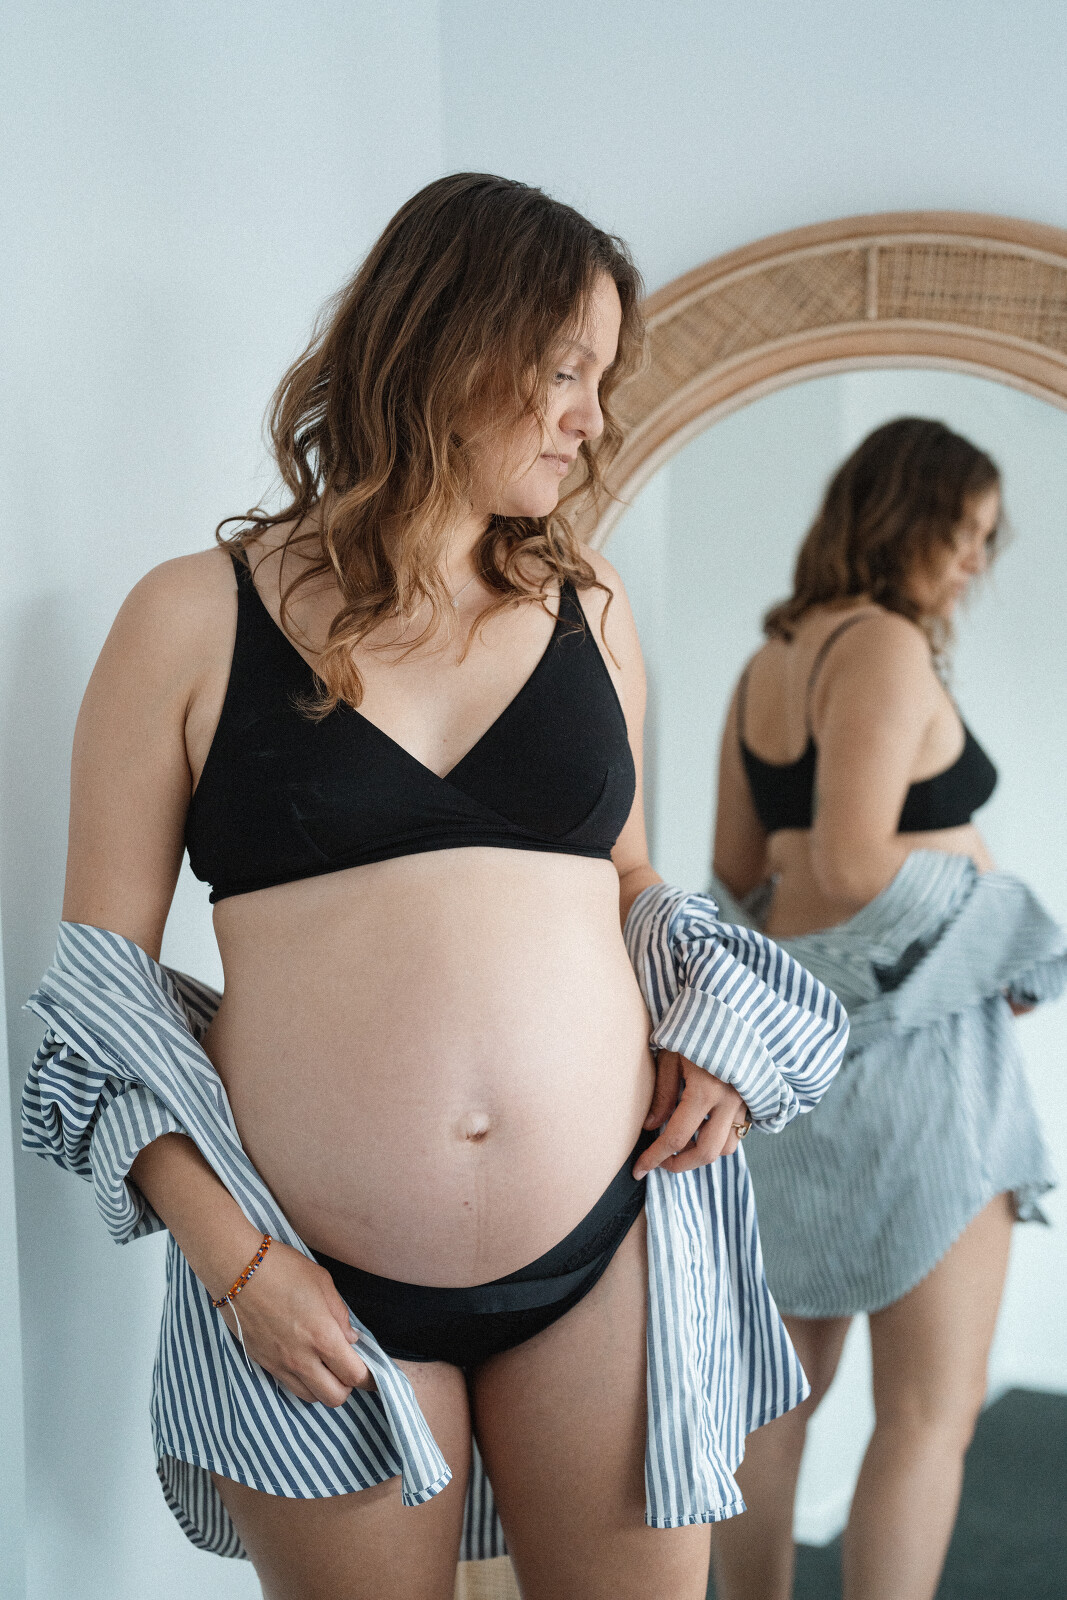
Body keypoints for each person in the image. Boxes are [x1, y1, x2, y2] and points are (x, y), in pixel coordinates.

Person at [24, 173, 847, 1600]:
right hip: (307, 1277)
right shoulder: (189, 618)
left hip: (610, 1243)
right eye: (566, 370)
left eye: (601, 380)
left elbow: (631, 877)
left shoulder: (591, 607)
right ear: (452, 344)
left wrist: (711, 1029)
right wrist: (236, 1267)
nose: (590, 418)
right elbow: (98, 1000)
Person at [708, 417, 1064, 1600]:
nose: (974, 560)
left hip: (794, 1063)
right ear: (902, 515)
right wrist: (997, 921)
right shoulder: (885, 647)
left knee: (774, 1408)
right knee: (926, 1413)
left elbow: (740, 877)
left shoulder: (767, 662)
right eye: (961, 531)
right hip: (915, 1066)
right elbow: (854, 861)